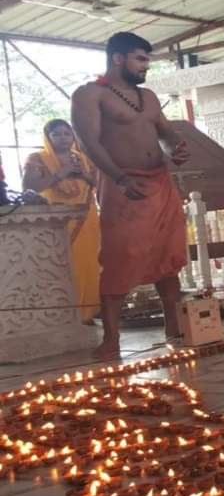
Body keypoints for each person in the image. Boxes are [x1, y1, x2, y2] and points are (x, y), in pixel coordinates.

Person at [71, 32, 189, 359]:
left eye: (147, 61)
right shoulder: (89, 95)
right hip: (122, 186)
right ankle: (111, 339)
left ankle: (174, 329)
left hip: (160, 183)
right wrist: (120, 178)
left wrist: (176, 147)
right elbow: (89, 143)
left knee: (168, 258)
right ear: (118, 58)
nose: (145, 67)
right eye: (140, 60)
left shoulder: (148, 97)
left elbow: (166, 134)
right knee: (119, 258)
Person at [22, 119, 101, 320]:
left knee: (89, 264)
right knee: (64, 265)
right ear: (48, 137)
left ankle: (88, 312)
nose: (63, 138)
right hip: (58, 220)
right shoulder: (38, 158)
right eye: (57, 134)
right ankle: (65, 314)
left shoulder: (82, 159)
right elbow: (29, 186)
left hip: (86, 217)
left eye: (67, 134)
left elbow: (100, 182)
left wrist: (83, 174)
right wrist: (59, 174)